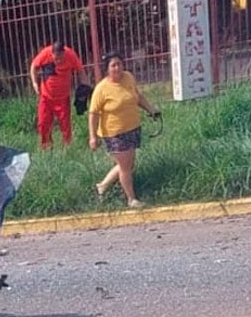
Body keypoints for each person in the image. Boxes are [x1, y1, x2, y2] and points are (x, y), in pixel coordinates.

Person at [88, 52, 161, 208]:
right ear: (107, 69)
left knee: (127, 165)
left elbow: (138, 96)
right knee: (126, 167)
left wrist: (151, 110)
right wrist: (93, 137)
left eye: (119, 64)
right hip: (115, 134)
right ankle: (131, 199)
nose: (117, 68)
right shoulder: (101, 89)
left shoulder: (128, 77)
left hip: (132, 128)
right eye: (113, 65)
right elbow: (93, 114)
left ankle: (103, 186)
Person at [29, 40, 89, 149]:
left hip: (63, 98)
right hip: (46, 97)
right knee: (43, 123)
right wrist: (34, 83)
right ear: (51, 54)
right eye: (56, 58)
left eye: (61, 58)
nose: (58, 61)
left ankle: (68, 148)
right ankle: (46, 147)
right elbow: (33, 66)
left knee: (65, 126)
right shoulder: (45, 54)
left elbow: (81, 71)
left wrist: (85, 88)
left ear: (64, 53)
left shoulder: (71, 55)